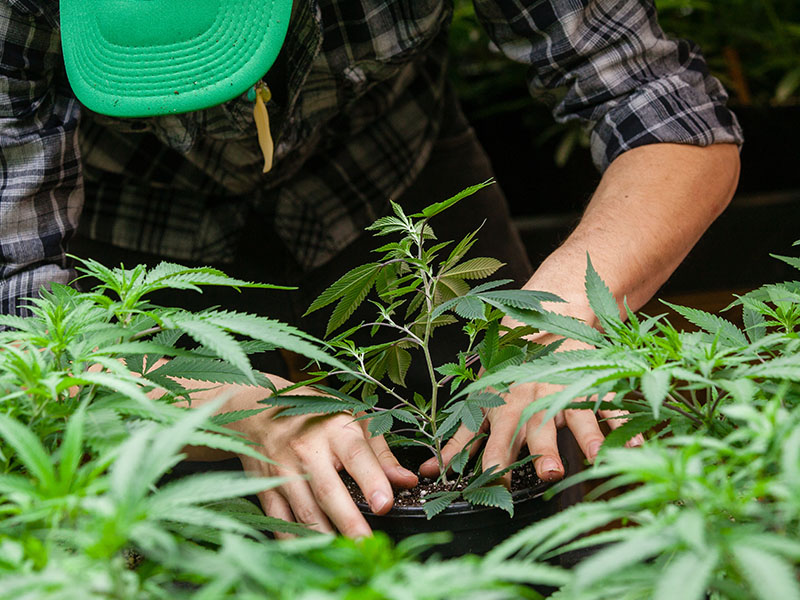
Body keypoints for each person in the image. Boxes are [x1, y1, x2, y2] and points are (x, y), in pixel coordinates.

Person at [0, 0, 742, 537]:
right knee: (175, 532)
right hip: (125, 225)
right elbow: (20, 299)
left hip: (393, 187)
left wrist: (563, 310)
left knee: (543, 463)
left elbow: (663, 106)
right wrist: (236, 410)